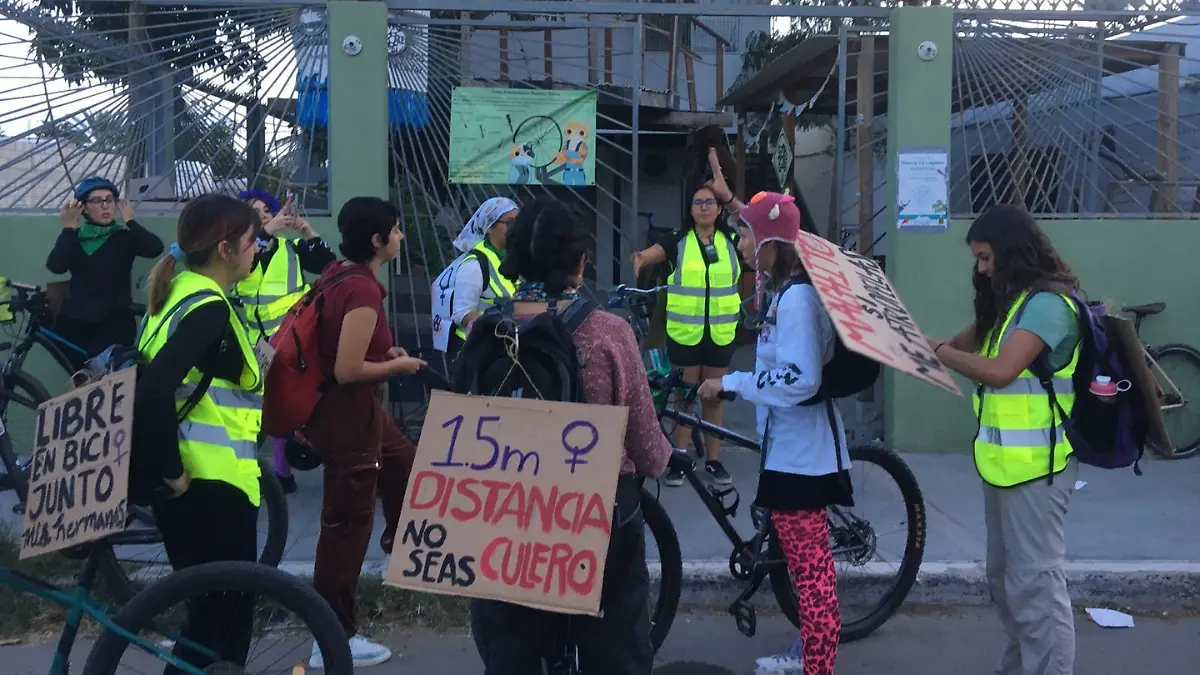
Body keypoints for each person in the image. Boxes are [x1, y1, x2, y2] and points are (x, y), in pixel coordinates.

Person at [470, 198, 671, 675]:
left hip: (510, 509)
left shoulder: (489, 327)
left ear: (513, 257)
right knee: (618, 632)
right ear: (580, 262)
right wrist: (663, 459)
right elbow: (645, 443)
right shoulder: (609, 333)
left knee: (511, 638)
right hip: (597, 513)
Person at [697, 191, 850, 675]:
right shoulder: (782, 293)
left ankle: (818, 667)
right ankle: (810, 653)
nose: (738, 240)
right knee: (806, 570)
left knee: (811, 576)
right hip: (786, 448)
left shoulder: (799, 299)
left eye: (744, 233)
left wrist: (733, 384)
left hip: (802, 458)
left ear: (767, 242)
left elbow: (801, 377)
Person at [928, 204, 1080, 675]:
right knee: (1007, 584)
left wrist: (942, 354)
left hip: (1039, 472)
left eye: (987, 258)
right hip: (1004, 468)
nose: (981, 268)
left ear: (1013, 252)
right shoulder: (1012, 302)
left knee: (1036, 587)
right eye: (977, 259)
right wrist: (921, 346)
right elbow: (961, 344)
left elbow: (999, 371)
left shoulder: (1049, 306)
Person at [133, 194, 264, 674]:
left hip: (197, 490)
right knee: (223, 634)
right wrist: (175, 475)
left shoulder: (175, 293)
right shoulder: (207, 307)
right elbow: (153, 392)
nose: (258, 250)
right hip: (210, 487)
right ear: (226, 250)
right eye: (252, 241)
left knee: (203, 626)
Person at [305, 196, 425, 669]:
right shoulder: (361, 290)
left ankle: (402, 550)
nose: (400, 238)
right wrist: (399, 366)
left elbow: (353, 350)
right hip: (347, 419)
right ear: (377, 241)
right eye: (395, 231)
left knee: (407, 466)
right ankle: (330, 637)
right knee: (345, 527)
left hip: (364, 416)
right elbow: (348, 369)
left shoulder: (341, 275)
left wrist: (385, 353)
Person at [631, 150, 742, 487]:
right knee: (687, 397)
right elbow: (650, 254)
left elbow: (761, 231)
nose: (704, 207)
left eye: (710, 202)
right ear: (690, 209)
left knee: (714, 397)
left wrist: (729, 193)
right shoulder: (678, 241)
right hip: (686, 334)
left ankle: (712, 460)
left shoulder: (734, 241)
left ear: (719, 208)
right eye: (698, 202)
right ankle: (679, 460)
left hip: (721, 334)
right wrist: (639, 261)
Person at [233, 190, 336, 494]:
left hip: (297, 340)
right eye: (254, 210)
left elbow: (328, 264)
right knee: (261, 408)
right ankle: (265, 471)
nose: (263, 213)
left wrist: (306, 231)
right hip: (260, 344)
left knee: (309, 402)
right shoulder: (236, 252)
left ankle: (291, 469)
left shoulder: (291, 248)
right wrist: (269, 229)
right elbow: (251, 261)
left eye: (267, 210)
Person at [47, 176, 164, 371]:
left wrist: (131, 221)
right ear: (83, 207)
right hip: (77, 321)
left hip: (115, 321)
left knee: (108, 374)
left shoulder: (123, 237)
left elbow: (154, 248)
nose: (105, 206)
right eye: (96, 200)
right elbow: (56, 266)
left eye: (109, 200)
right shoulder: (74, 239)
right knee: (84, 381)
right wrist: (69, 227)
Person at [431, 197, 518, 360]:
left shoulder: (515, 258)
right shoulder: (474, 264)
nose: (517, 228)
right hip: (475, 353)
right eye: (510, 223)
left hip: (505, 350)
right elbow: (461, 313)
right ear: (490, 227)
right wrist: (498, 327)